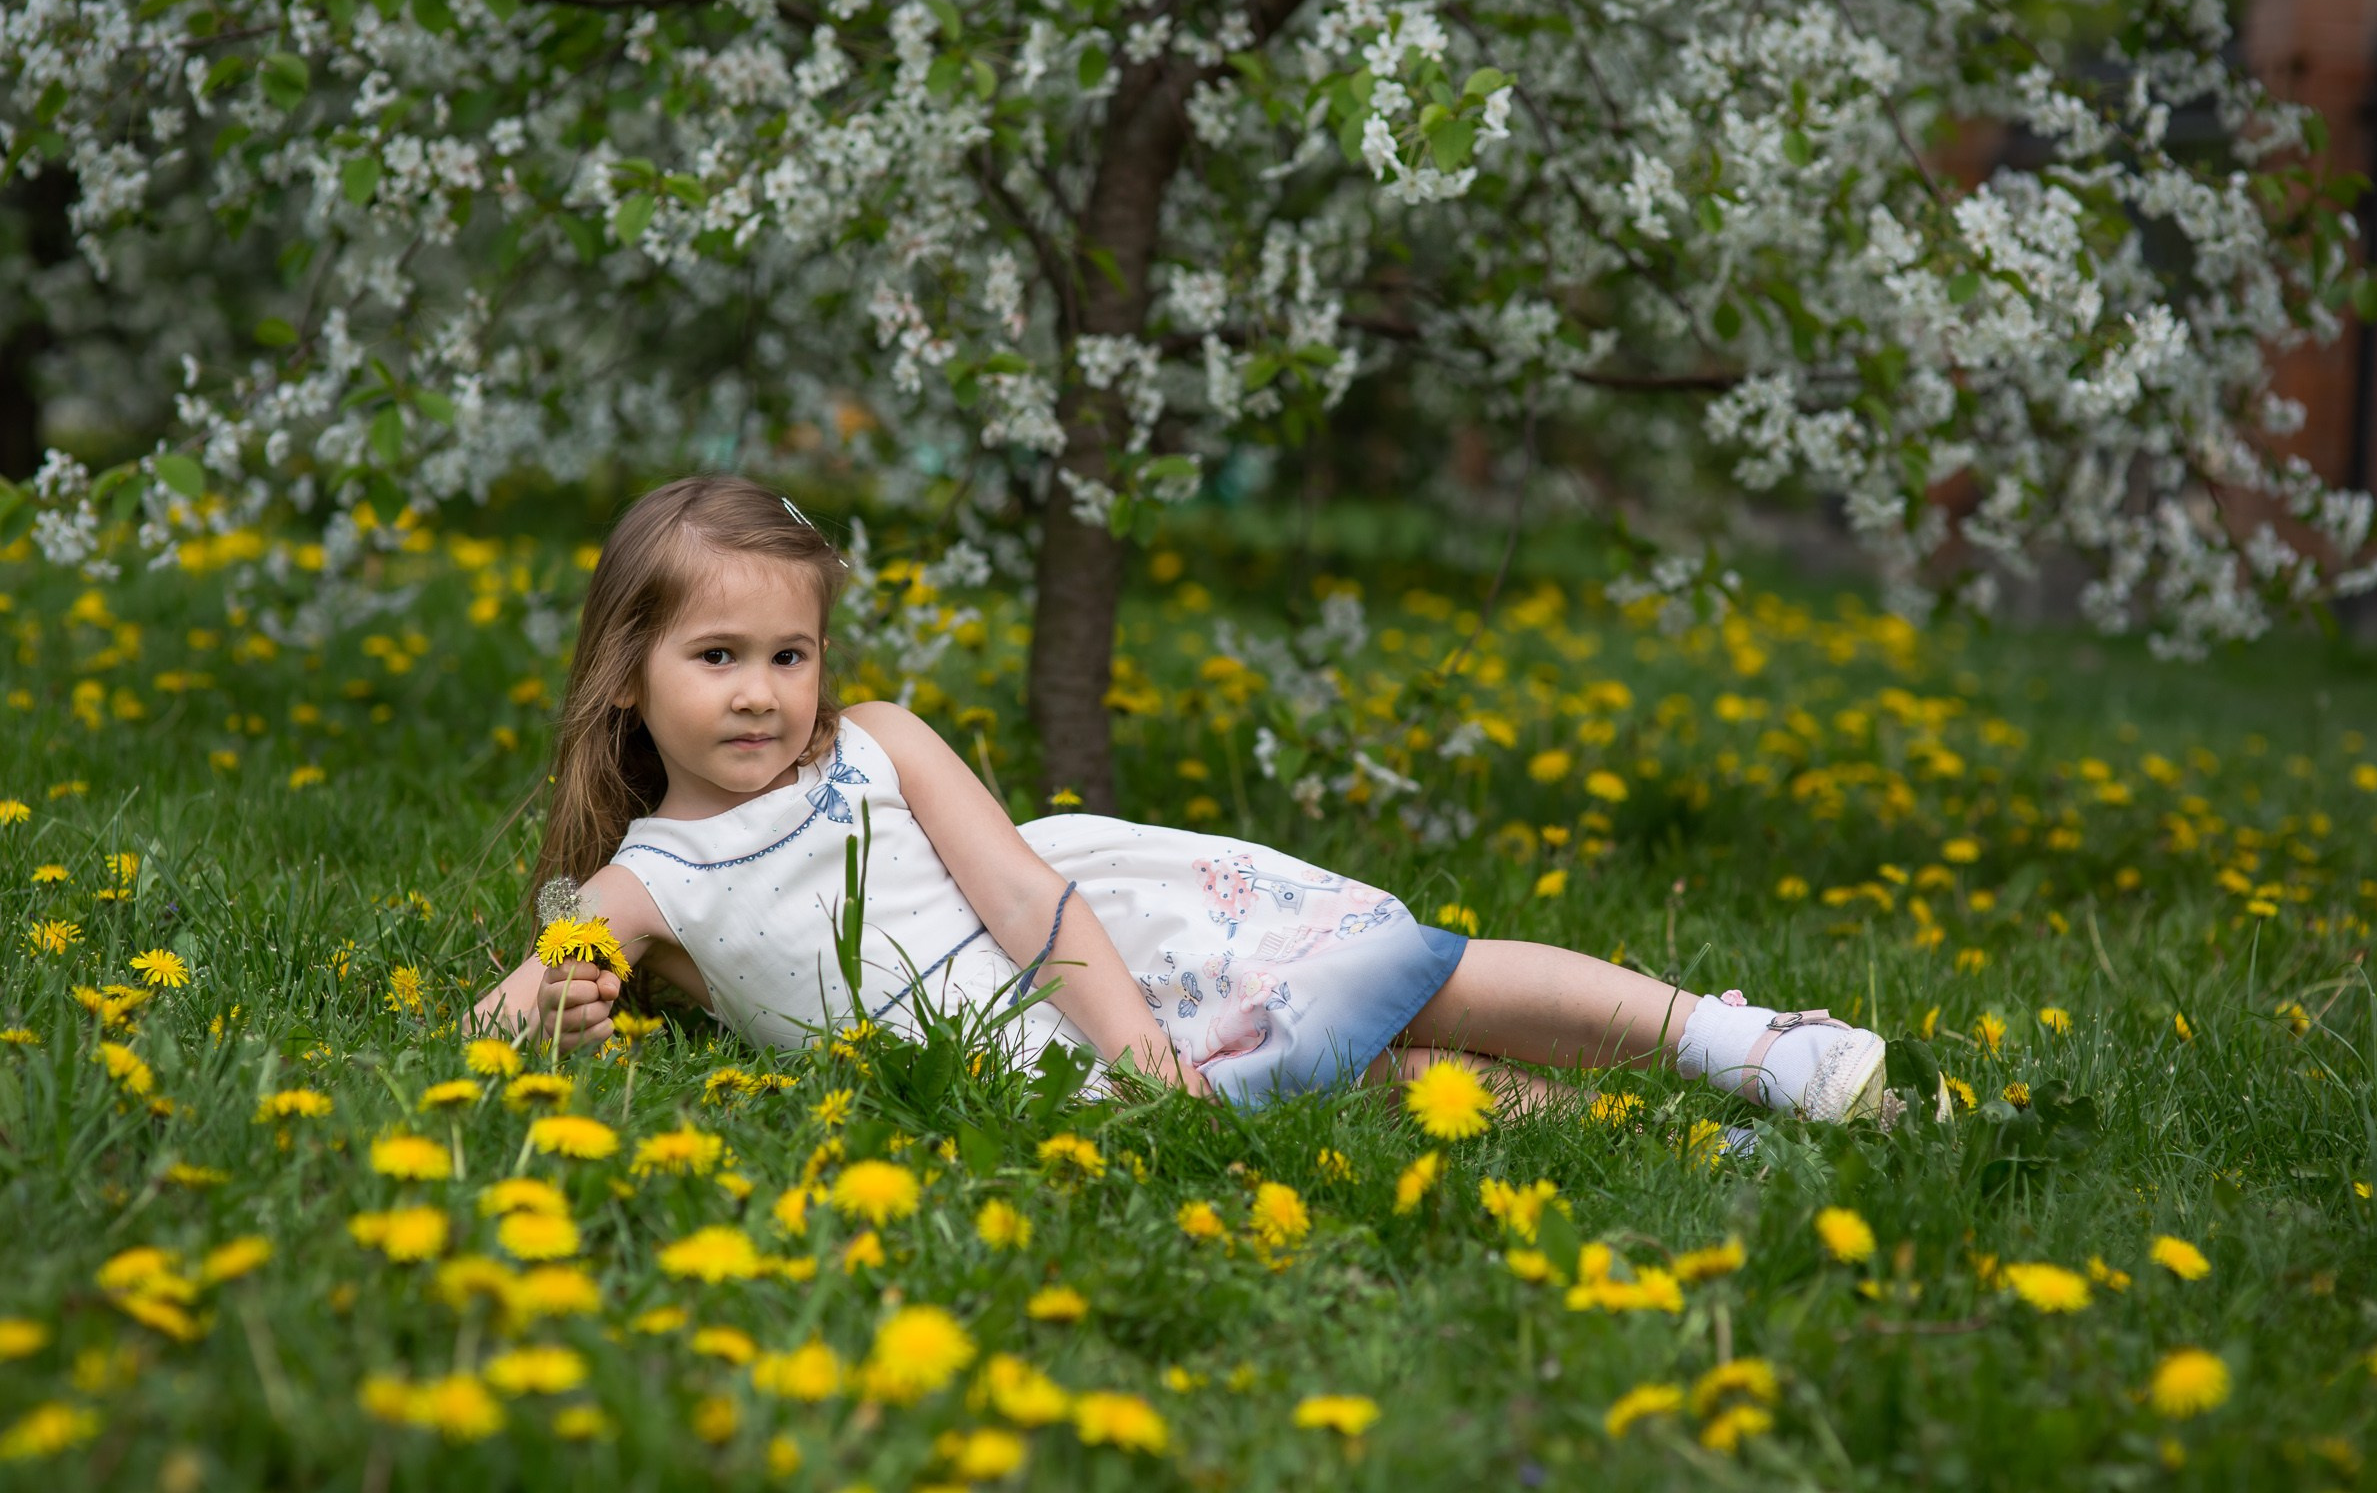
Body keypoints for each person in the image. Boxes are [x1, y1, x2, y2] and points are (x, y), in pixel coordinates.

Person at [470, 475, 1890, 1122]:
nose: (763, 694)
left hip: (1114, 969)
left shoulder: (878, 742)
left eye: (789, 653)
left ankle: (1738, 1047)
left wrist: (1139, 1045)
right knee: (1388, 1091)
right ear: (626, 678)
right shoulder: (652, 880)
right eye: (716, 659)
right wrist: (562, 1011)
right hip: (1028, 1076)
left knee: (1415, 989)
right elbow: (510, 1010)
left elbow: (1021, 892)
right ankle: (1688, 1138)